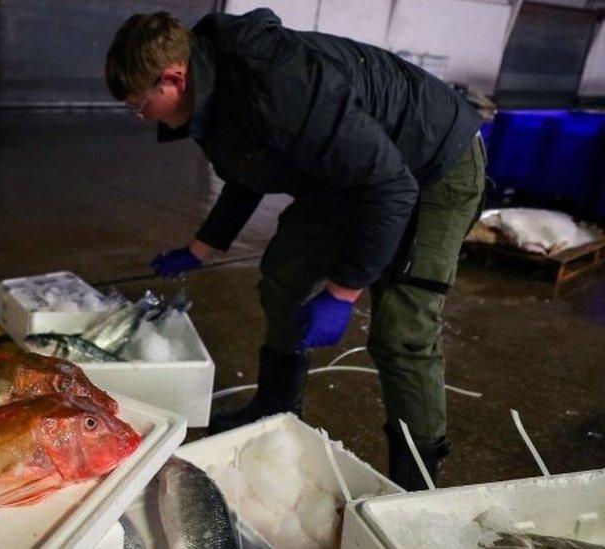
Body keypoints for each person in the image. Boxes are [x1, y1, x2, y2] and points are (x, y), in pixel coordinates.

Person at [105, 9, 485, 490]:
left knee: (402, 332)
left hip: (432, 163)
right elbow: (248, 171)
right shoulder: (214, 91)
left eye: (141, 106)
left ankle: (415, 482)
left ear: (174, 78)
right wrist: (201, 247)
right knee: (284, 275)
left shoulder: (277, 83)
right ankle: (276, 406)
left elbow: (390, 187)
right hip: (348, 173)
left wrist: (344, 291)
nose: (142, 118)